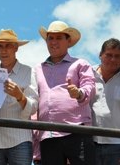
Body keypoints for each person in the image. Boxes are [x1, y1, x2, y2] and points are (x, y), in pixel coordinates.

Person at [33, 20, 96, 165]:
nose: (53, 42)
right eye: (50, 38)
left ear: (68, 41)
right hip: (48, 134)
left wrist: (79, 93)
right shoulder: (37, 68)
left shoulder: (81, 64)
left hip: (76, 130)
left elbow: (90, 87)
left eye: (59, 38)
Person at [0, 29, 38, 165]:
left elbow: (34, 107)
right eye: (0, 46)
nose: (3, 50)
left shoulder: (28, 72)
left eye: (8, 46)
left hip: (19, 140)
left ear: (16, 48)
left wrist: (20, 96)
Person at [90, 38, 120, 165]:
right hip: (89, 144)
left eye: (117, 56)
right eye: (108, 55)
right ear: (100, 55)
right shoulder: (86, 76)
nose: (113, 59)